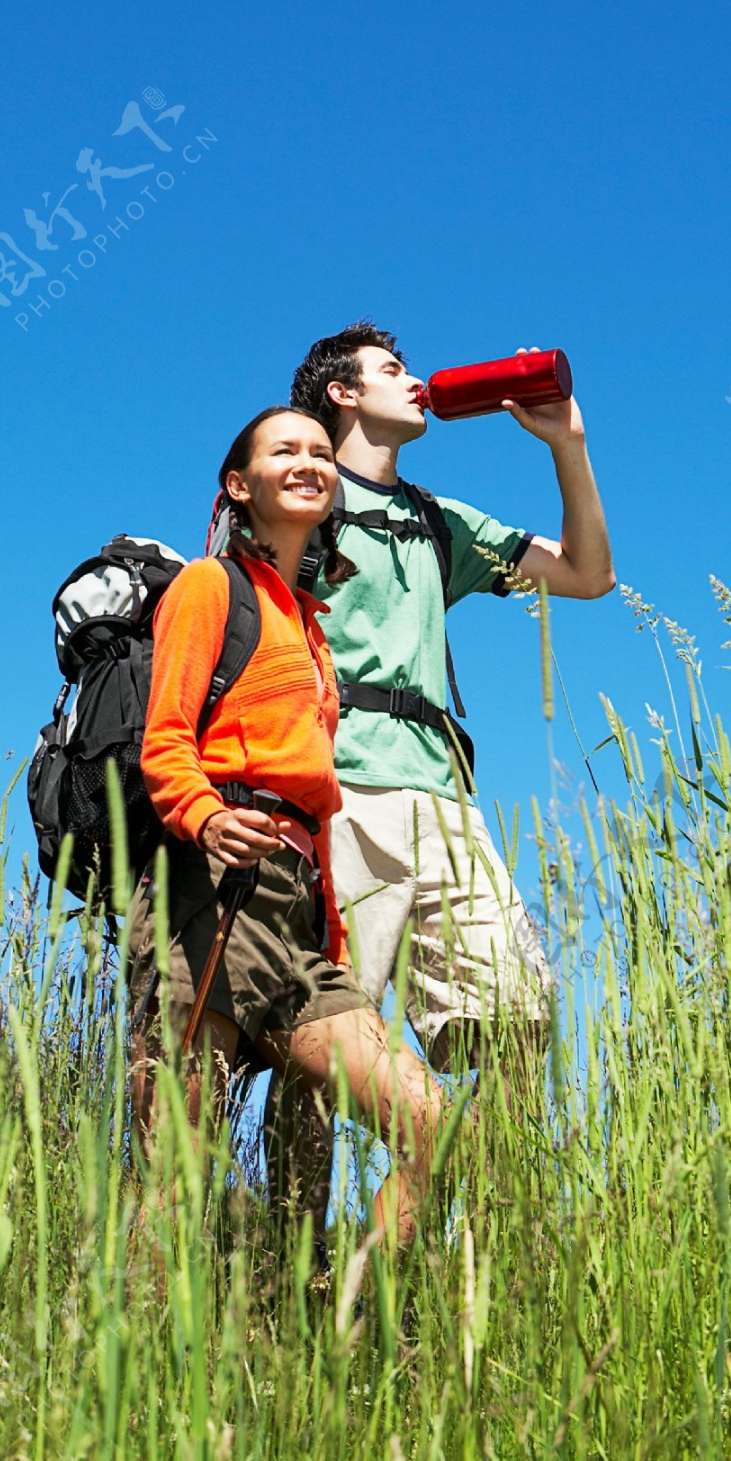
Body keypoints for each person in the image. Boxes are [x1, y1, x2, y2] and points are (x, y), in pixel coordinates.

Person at [264, 322, 615, 1215]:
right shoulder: (300, 492)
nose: (415, 381)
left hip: (447, 803)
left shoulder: (435, 520)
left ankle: (438, 1258)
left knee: (514, 1029)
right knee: (326, 1038)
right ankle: (295, 1260)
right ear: (342, 393)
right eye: (391, 370)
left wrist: (566, 445)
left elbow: (586, 573)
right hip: (337, 794)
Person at [127, 404, 444, 1256]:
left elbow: (316, 804)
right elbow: (165, 740)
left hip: (298, 916)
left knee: (429, 1121)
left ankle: (343, 1329)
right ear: (241, 484)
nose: (309, 461)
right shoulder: (209, 587)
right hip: (212, 893)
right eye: (284, 450)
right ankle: (133, 1372)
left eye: (318, 451)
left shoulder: (313, 629)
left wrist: (329, 928)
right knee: (178, 1172)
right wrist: (204, 817)